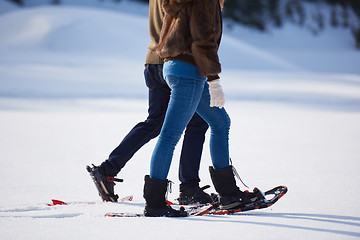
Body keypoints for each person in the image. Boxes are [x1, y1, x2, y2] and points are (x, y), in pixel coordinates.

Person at [86, 0, 213, 205]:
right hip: (176, 62)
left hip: (152, 62)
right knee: (198, 122)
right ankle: (189, 187)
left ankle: (108, 169)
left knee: (155, 122)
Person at [142, 0, 262, 217]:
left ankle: (228, 194)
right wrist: (214, 80)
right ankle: (155, 204)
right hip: (189, 70)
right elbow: (203, 39)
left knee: (220, 122)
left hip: (175, 65)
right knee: (170, 136)